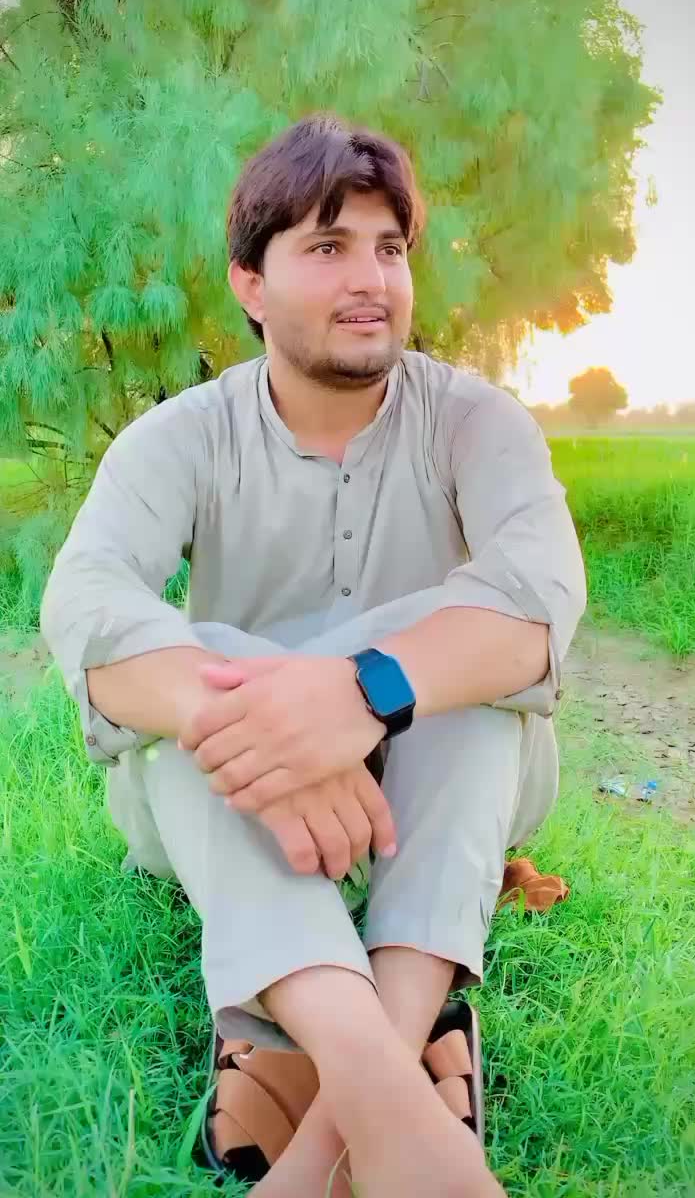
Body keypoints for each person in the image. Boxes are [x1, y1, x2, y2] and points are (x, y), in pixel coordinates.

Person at [40, 111, 587, 1197]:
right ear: (249, 282)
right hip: (230, 792)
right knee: (199, 674)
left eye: (390, 248)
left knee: (461, 673)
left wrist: (363, 691)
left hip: (443, 782)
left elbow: (539, 600)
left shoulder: (475, 423)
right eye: (328, 247)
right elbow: (88, 607)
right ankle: (400, 1106)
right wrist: (256, 718)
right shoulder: (181, 436)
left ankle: (319, 1138)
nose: (371, 280)